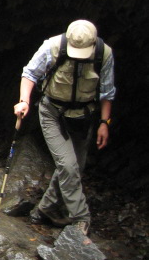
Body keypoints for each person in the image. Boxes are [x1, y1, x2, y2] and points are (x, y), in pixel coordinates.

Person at [14, 20, 115, 236]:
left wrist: (104, 123)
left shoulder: (103, 53)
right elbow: (30, 73)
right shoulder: (52, 47)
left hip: (82, 116)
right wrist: (24, 100)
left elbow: (107, 91)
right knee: (68, 165)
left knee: (74, 166)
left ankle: (45, 209)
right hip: (52, 112)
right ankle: (81, 217)